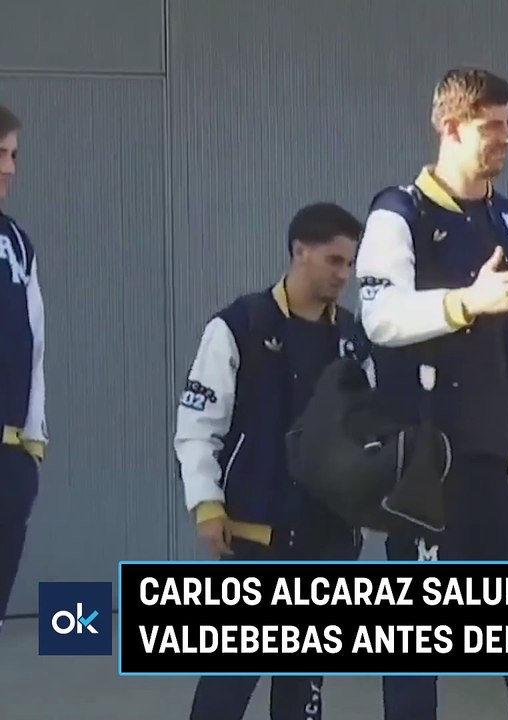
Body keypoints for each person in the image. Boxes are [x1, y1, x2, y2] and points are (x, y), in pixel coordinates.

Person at [353, 67, 508, 720]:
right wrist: (467, 303)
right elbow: (380, 317)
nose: (507, 137)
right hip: (431, 471)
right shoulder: (399, 213)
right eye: (491, 126)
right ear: (449, 126)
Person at [174, 201, 368, 720]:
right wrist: (207, 505)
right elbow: (197, 428)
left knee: (304, 692)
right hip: (256, 539)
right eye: (334, 261)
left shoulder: (354, 338)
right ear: (298, 252)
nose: (344, 275)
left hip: (330, 541)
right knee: (227, 686)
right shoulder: (236, 326)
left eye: (351, 263)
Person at [0, 104, 45, 631]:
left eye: (14, 154)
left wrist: (31, 442)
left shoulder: (16, 241)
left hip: (8, 457)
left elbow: (36, 342)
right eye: (1, 153)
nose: (10, 168)